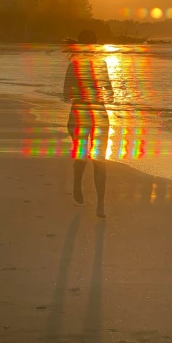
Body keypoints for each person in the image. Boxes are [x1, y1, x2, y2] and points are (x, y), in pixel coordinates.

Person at [63, 29, 114, 218]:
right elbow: (110, 92)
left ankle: (78, 186)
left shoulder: (74, 66)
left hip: (79, 113)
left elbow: (65, 95)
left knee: (82, 156)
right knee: (99, 160)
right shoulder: (100, 64)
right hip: (98, 114)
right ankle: (100, 205)